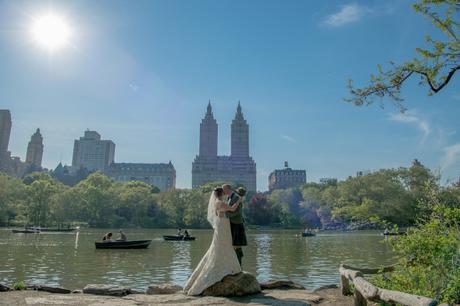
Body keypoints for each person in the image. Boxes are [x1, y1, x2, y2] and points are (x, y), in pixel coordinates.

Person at [183, 187, 242, 295]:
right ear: (221, 194)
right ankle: (227, 267)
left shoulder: (216, 202)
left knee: (219, 245)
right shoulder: (220, 203)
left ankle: (227, 265)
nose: (225, 194)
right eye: (223, 193)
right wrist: (239, 200)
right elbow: (233, 209)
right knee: (223, 245)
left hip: (221, 225)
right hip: (223, 225)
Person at [223, 184, 248, 267]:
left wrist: (227, 215)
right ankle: (236, 264)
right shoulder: (230, 197)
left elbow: (238, 212)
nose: (223, 191)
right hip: (233, 223)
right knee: (235, 245)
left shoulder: (236, 197)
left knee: (237, 245)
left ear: (228, 189)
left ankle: (238, 264)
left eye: (224, 189)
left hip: (237, 223)